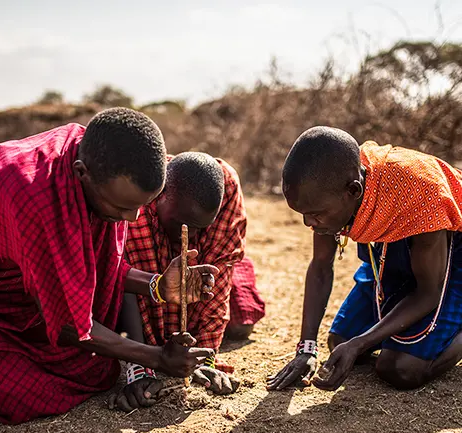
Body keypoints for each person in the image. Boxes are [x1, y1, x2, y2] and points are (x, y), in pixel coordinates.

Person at [0, 107, 218, 424]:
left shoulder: (98, 163)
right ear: (81, 173)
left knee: (96, 370)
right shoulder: (37, 201)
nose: (131, 219)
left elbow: (94, 267)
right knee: (11, 390)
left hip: (26, 291)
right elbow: (68, 324)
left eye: (139, 207)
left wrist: (157, 286)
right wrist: (156, 357)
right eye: (121, 207)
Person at [267, 126, 462, 392]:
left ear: (354, 190)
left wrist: (361, 343)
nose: (308, 223)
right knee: (340, 341)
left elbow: (428, 293)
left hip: (449, 253)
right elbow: (321, 268)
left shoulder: (422, 195)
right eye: (302, 213)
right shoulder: (331, 192)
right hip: (397, 251)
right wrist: (306, 349)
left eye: (315, 214)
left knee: (400, 368)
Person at [120, 152, 265, 411]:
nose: (191, 235)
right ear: (160, 194)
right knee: (156, 334)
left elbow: (219, 266)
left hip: (214, 259)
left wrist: (206, 355)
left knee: (242, 322)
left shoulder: (227, 187)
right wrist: (139, 364)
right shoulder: (136, 195)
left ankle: (244, 271)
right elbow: (124, 274)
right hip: (151, 273)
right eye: (184, 225)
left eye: (200, 228)